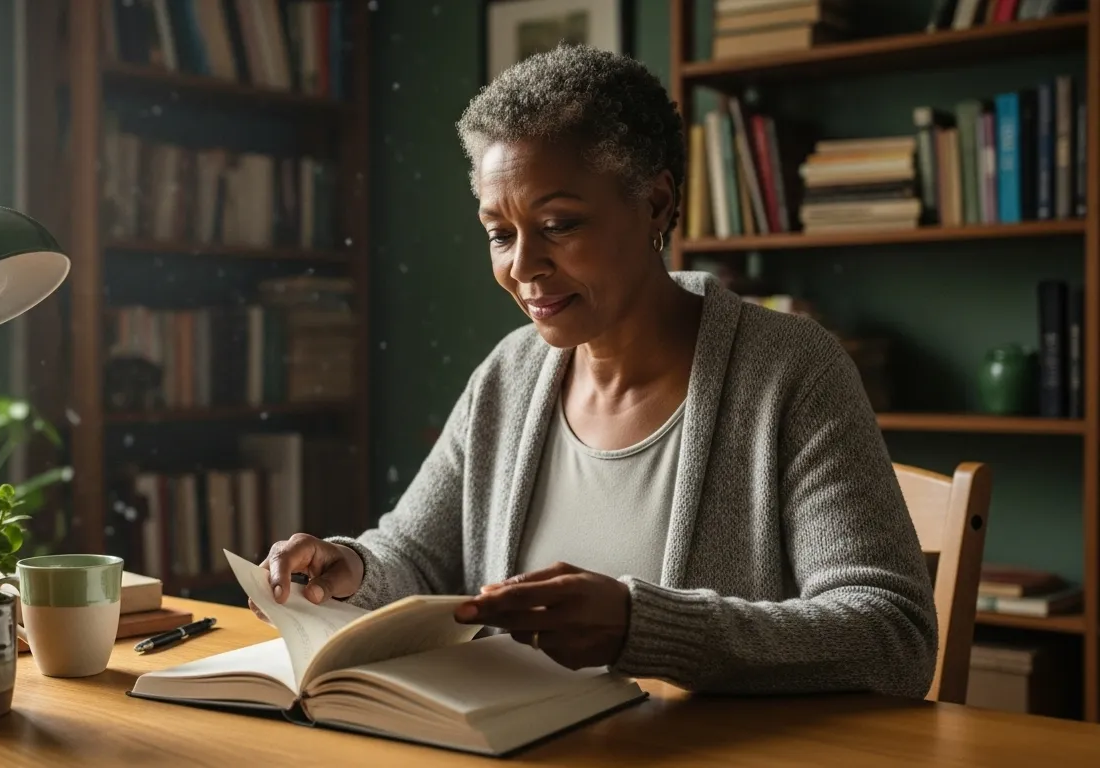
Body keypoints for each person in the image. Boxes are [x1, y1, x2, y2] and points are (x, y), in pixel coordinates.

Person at [256, 45, 937, 698]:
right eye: (500, 232)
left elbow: (891, 634)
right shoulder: (509, 375)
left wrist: (642, 628)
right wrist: (351, 570)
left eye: (558, 224)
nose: (522, 266)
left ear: (657, 204)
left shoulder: (792, 373)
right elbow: (417, 553)